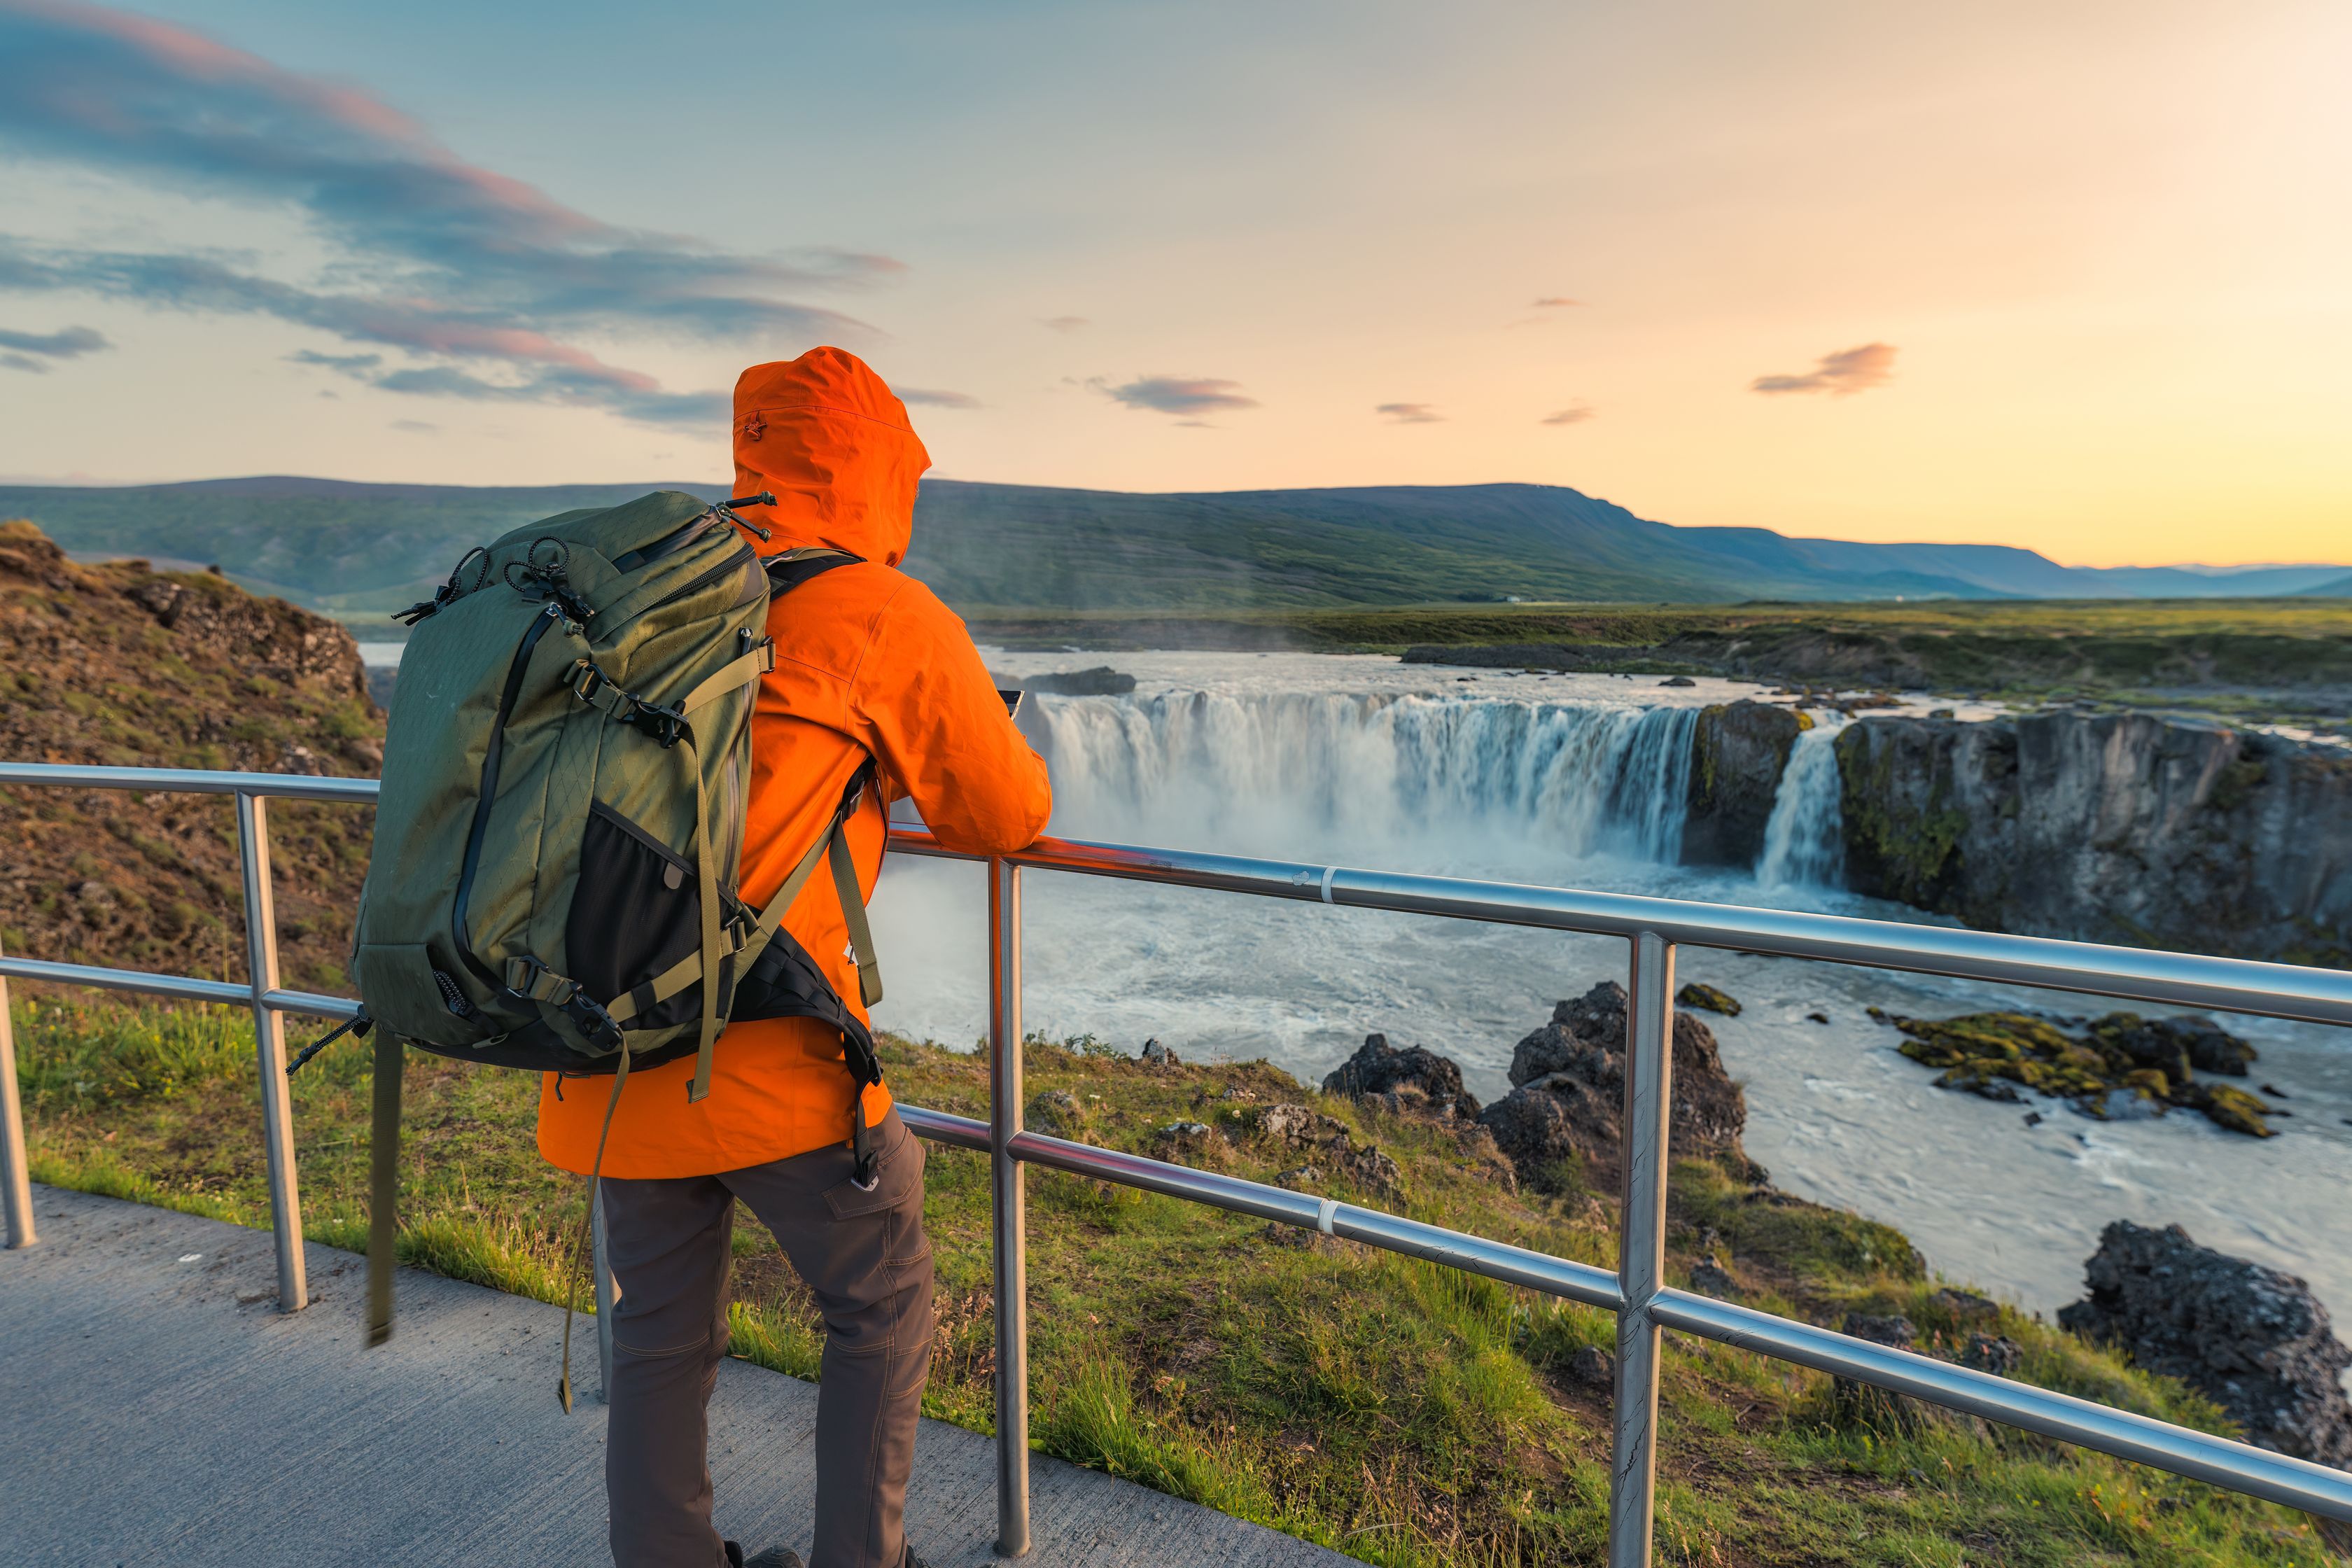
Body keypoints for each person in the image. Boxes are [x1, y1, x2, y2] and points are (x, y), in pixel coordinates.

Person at [537, 347, 1053, 1568]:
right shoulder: (882, 612)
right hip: (778, 1064)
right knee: (880, 1312)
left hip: (613, 1048)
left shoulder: (650, 596)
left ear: (754, 454)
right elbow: (1003, 813)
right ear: (878, 470)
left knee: (658, 1336)